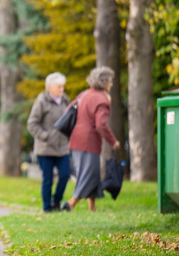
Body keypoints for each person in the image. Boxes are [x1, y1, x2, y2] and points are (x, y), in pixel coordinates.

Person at [61, 66, 120, 212]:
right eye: (110, 81)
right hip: (88, 142)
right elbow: (101, 125)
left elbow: (69, 108)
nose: (112, 84)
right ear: (105, 82)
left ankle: (92, 208)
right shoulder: (102, 99)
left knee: (91, 173)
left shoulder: (85, 94)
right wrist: (113, 141)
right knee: (88, 175)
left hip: (75, 140)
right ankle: (70, 203)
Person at [26, 72, 71, 212]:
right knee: (48, 179)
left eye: (63, 87)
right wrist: (45, 136)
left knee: (65, 175)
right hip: (45, 148)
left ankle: (56, 202)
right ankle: (46, 207)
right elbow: (32, 124)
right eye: (59, 87)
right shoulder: (41, 101)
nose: (61, 89)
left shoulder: (65, 100)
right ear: (49, 87)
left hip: (62, 146)